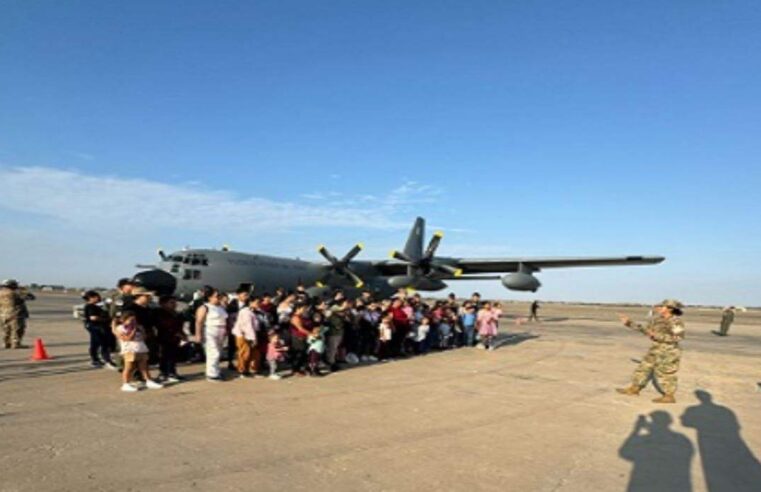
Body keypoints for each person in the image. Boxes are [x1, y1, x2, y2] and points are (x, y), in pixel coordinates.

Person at [616, 299, 686, 404]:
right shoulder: (657, 320)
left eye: (662, 306)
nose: (658, 308)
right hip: (655, 348)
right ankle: (634, 389)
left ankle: (669, 396)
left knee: (666, 373)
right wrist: (629, 323)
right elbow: (646, 330)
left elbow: (678, 337)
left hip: (669, 351)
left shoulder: (675, 321)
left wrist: (656, 335)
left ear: (670, 309)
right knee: (643, 368)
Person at [115, 311, 163, 392]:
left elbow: (144, 337)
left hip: (140, 348)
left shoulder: (139, 327)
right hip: (129, 349)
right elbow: (127, 339)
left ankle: (148, 380)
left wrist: (141, 330)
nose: (133, 322)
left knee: (144, 367)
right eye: (131, 320)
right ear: (124, 320)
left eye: (134, 320)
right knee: (129, 367)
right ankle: (125, 384)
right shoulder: (120, 328)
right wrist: (133, 330)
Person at [194, 288, 229, 382]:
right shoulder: (204, 307)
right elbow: (199, 322)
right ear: (209, 297)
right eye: (216, 296)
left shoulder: (221, 307)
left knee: (219, 352)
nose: (218, 298)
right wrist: (198, 334)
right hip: (210, 330)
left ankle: (216, 370)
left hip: (221, 330)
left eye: (219, 296)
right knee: (213, 352)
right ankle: (211, 374)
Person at [82, 290, 117, 369]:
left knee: (95, 344)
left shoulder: (91, 306)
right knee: (103, 344)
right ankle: (107, 360)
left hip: (94, 327)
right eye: (96, 297)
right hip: (96, 327)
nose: (99, 298)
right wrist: (106, 319)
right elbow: (93, 318)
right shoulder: (91, 306)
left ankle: (95, 359)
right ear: (91, 298)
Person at [155, 295, 186, 382]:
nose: (174, 304)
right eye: (171, 303)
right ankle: (164, 373)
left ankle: (172, 372)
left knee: (173, 356)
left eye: (174, 303)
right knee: (164, 356)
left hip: (174, 338)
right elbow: (164, 325)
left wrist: (182, 334)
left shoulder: (176, 314)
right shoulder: (159, 313)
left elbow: (179, 325)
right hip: (164, 337)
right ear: (163, 304)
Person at [232, 297, 259, 378]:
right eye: (257, 302)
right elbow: (248, 326)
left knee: (250, 353)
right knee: (244, 353)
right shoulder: (245, 312)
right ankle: (241, 371)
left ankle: (247, 370)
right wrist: (254, 338)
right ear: (250, 302)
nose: (258, 304)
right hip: (243, 335)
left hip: (249, 334)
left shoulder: (251, 311)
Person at [226, 287, 250, 370]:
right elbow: (228, 316)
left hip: (244, 328)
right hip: (233, 328)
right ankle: (230, 362)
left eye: (247, 295)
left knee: (243, 346)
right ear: (238, 295)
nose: (246, 297)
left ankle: (242, 363)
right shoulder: (232, 304)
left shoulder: (248, 304)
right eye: (244, 295)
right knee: (232, 346)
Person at [1, 279, 24, 349]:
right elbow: (30, 297)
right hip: (15, 314)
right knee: (17, 329)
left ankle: (6, 343)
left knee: (6, 329)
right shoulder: (15, 293)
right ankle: (16, 344)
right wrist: (23, 290)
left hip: (3, 314)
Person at [289, 304, 311, 376]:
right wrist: (311, 333)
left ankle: (299, 368)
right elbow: (300, 328)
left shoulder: (301, 316)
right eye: (302, 308)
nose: (304, 310)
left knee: (302, 354)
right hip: (297, 337)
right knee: (298, 354)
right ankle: (295, 370)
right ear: (298, 308)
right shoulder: (295, 317)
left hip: (302, 337)